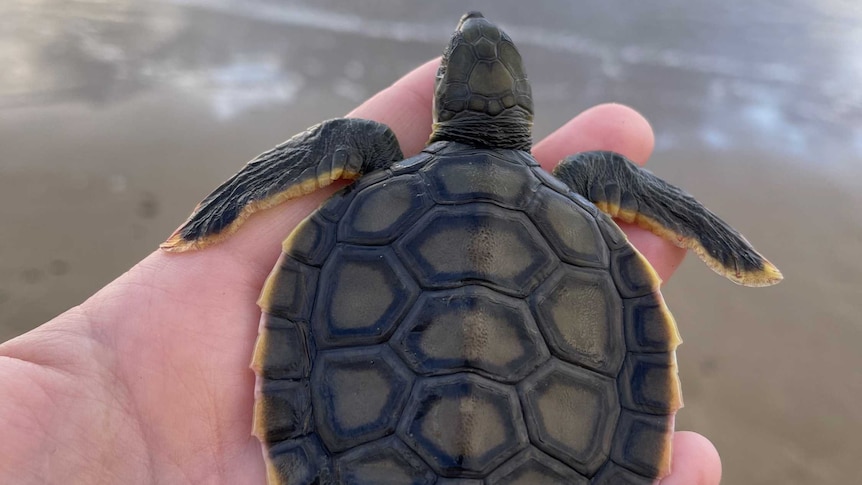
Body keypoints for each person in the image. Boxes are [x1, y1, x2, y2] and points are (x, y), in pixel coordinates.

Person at [0, 59, 721, 484]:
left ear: (446, 103)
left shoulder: (368, 158)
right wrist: (726, 244)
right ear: (522, 108)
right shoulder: (586, 181)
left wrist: (218, 215)